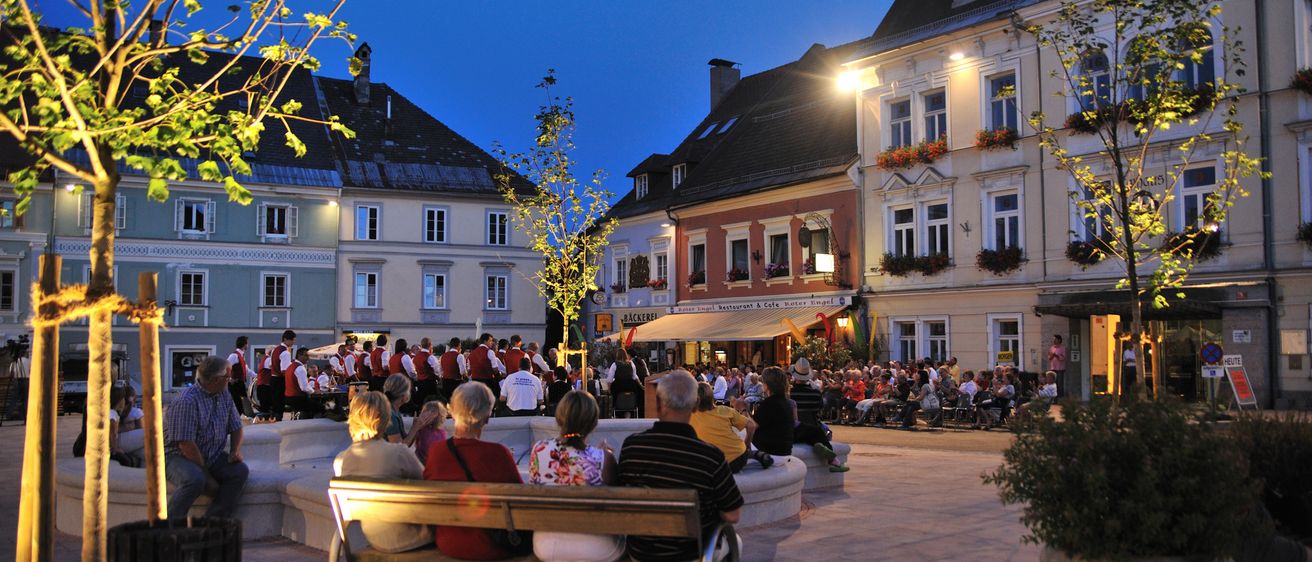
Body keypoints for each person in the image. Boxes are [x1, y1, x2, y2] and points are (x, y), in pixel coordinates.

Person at [618, 371, 743, 562]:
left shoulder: (632, 447)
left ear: (658, 403)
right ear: (695, 405)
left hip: (641, 553)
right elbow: (733, 515)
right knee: (736, 543)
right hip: (691, 554)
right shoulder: (710, 456)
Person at [423, 382, 524, 559]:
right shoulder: (498, 454)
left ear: (452, 412)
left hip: (449, 542)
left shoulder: (436, 452)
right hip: (491, 545)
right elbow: (520, 499)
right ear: (487, 417)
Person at [528, 390, 624, 562]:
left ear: (559, 418)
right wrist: (604, 454)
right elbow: (617, 498)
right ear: (593, 423)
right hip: (596, 548)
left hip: (547, 545)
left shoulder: (538, 449)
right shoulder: (602, 458)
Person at [333, 391, 431, 553]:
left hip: (375, 537)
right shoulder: (398, 452)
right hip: (411, 537)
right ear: (385, 418)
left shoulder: (347, 457)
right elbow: (428, 486)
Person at [164, 355, 248, 518]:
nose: (230, 380)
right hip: (177, 456)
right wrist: (206, 475)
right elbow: (185, 444)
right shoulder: (186, 401)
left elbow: (236, 427)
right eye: (227, 377)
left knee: (239, 472)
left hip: (210, 453)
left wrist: (234, 451)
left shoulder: (224, 395)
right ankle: (170, 525)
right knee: (194, 480)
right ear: (216, 380)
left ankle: (213, 522)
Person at [691, 382, 772, 473]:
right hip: (739, 457)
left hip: (717, 464)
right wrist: (747, 442)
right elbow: (751, 425)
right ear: (712, 397)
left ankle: (752, 454)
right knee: (738, 448)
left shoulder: (690, 415)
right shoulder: (726, 410)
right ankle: (753, 454)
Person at [788, 359, 848, 472]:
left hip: (794, 430)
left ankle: (818, 445)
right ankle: (830, 457)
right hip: (812, 426)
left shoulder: (789, 394)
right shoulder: (815, 393)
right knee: (824, 431)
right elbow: (819, 409)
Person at [750, 367, 793, 458]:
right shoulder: (786, 402)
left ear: (767, 385)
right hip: (784, 451)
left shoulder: (769, 404)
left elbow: (751, 426)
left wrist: (742, 409)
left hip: (769, 453)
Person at [406, 399, 448, 465]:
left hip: (420, 463)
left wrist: (415, 426)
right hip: (432, 464)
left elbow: (409, 443)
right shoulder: (442, 433)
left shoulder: (421, 429)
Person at [607, 348, 644, 418]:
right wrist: (641, 385)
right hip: (630, 385)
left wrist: (609, 389)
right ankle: (631, 409)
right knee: (635, 394)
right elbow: (635, 376)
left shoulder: (614, 364)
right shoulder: (631, 363)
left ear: (617, 355)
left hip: (618, 385)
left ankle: (616, 411)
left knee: (614, 395)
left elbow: (610, 379)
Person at [469, 333, 505, 400]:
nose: (492, 342)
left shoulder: (472, 353)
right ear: (485, 341)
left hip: (475, 381)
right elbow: (495, 368)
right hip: (487, 381)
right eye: (490, 341)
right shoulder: (490, 352)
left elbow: (470, 369)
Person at [226, 336, 256, 413]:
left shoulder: (241, 356)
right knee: (239, 405)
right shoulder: (234, 355)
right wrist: (229, 379)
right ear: (244, 344)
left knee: (243, 404)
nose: (248, 345)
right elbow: (226, 366)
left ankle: (240, 417)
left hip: (240, 384)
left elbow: (246, 370)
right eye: (247, 343)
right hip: (235, 384)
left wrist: (256, 376)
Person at [382, 373, 412, 443]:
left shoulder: (394, 410)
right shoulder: (390, 416)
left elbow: (405, 440)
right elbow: (399, 446)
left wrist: (419, 425)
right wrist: (415, 427)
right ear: (403, 394)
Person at [413, 337, 440, 408]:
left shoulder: (416, 357)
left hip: (420, 383)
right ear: (430, 345)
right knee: (432, 403)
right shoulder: (430, 357)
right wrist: (438, 378)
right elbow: (437, 370)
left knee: (422, 402)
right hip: (430, 383)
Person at [440, 337, 468, 402]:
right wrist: (466, 377)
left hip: (445, 383)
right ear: (459, 345)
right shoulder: (460, 356)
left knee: (447, 401)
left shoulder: (443, 356)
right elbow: (462, 372)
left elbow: (441, 371)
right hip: (456, 383)